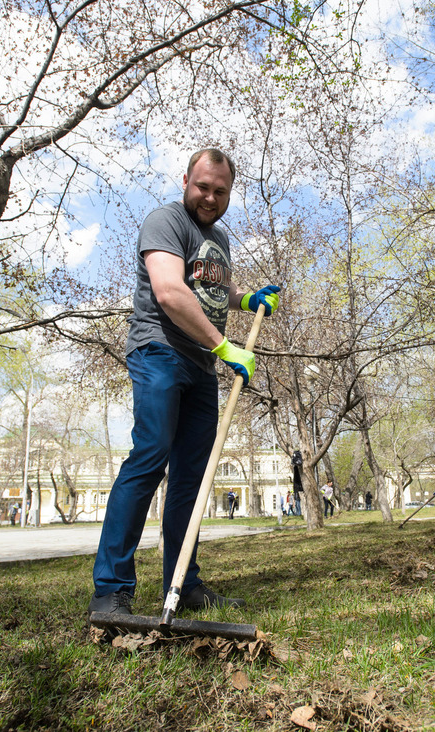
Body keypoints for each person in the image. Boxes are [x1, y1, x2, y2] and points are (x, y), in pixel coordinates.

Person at [88, 149, 281, 621]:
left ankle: (184, 584)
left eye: (221, 191)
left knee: (192, 480)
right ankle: (111, 590)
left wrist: (245, 298)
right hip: (159, 351)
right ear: (186, 181)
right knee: (150, 456)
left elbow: (210, 291)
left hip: (200, 364)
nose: (210, 197)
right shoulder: (165, 221)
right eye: (203, 187)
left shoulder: (218, 240)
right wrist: (224, 347)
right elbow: (171, 292)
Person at [291, 450, 303, 516]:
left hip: (299, 486)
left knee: (298, 503)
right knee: (297, 503)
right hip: (297, 487)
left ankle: (299, 513)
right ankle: (298, 513)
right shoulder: (295, 466)